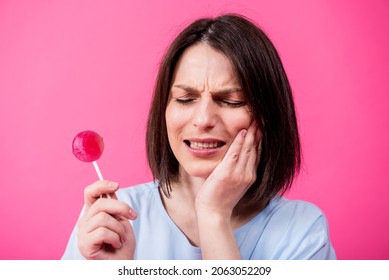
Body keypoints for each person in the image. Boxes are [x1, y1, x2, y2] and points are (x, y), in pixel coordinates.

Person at [62, 13, 336, 260]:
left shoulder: (302, 230)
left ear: (266, 115)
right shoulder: (111, 218)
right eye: (185, 98)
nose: (203, 120)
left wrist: (213, 216)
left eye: (231, 101)